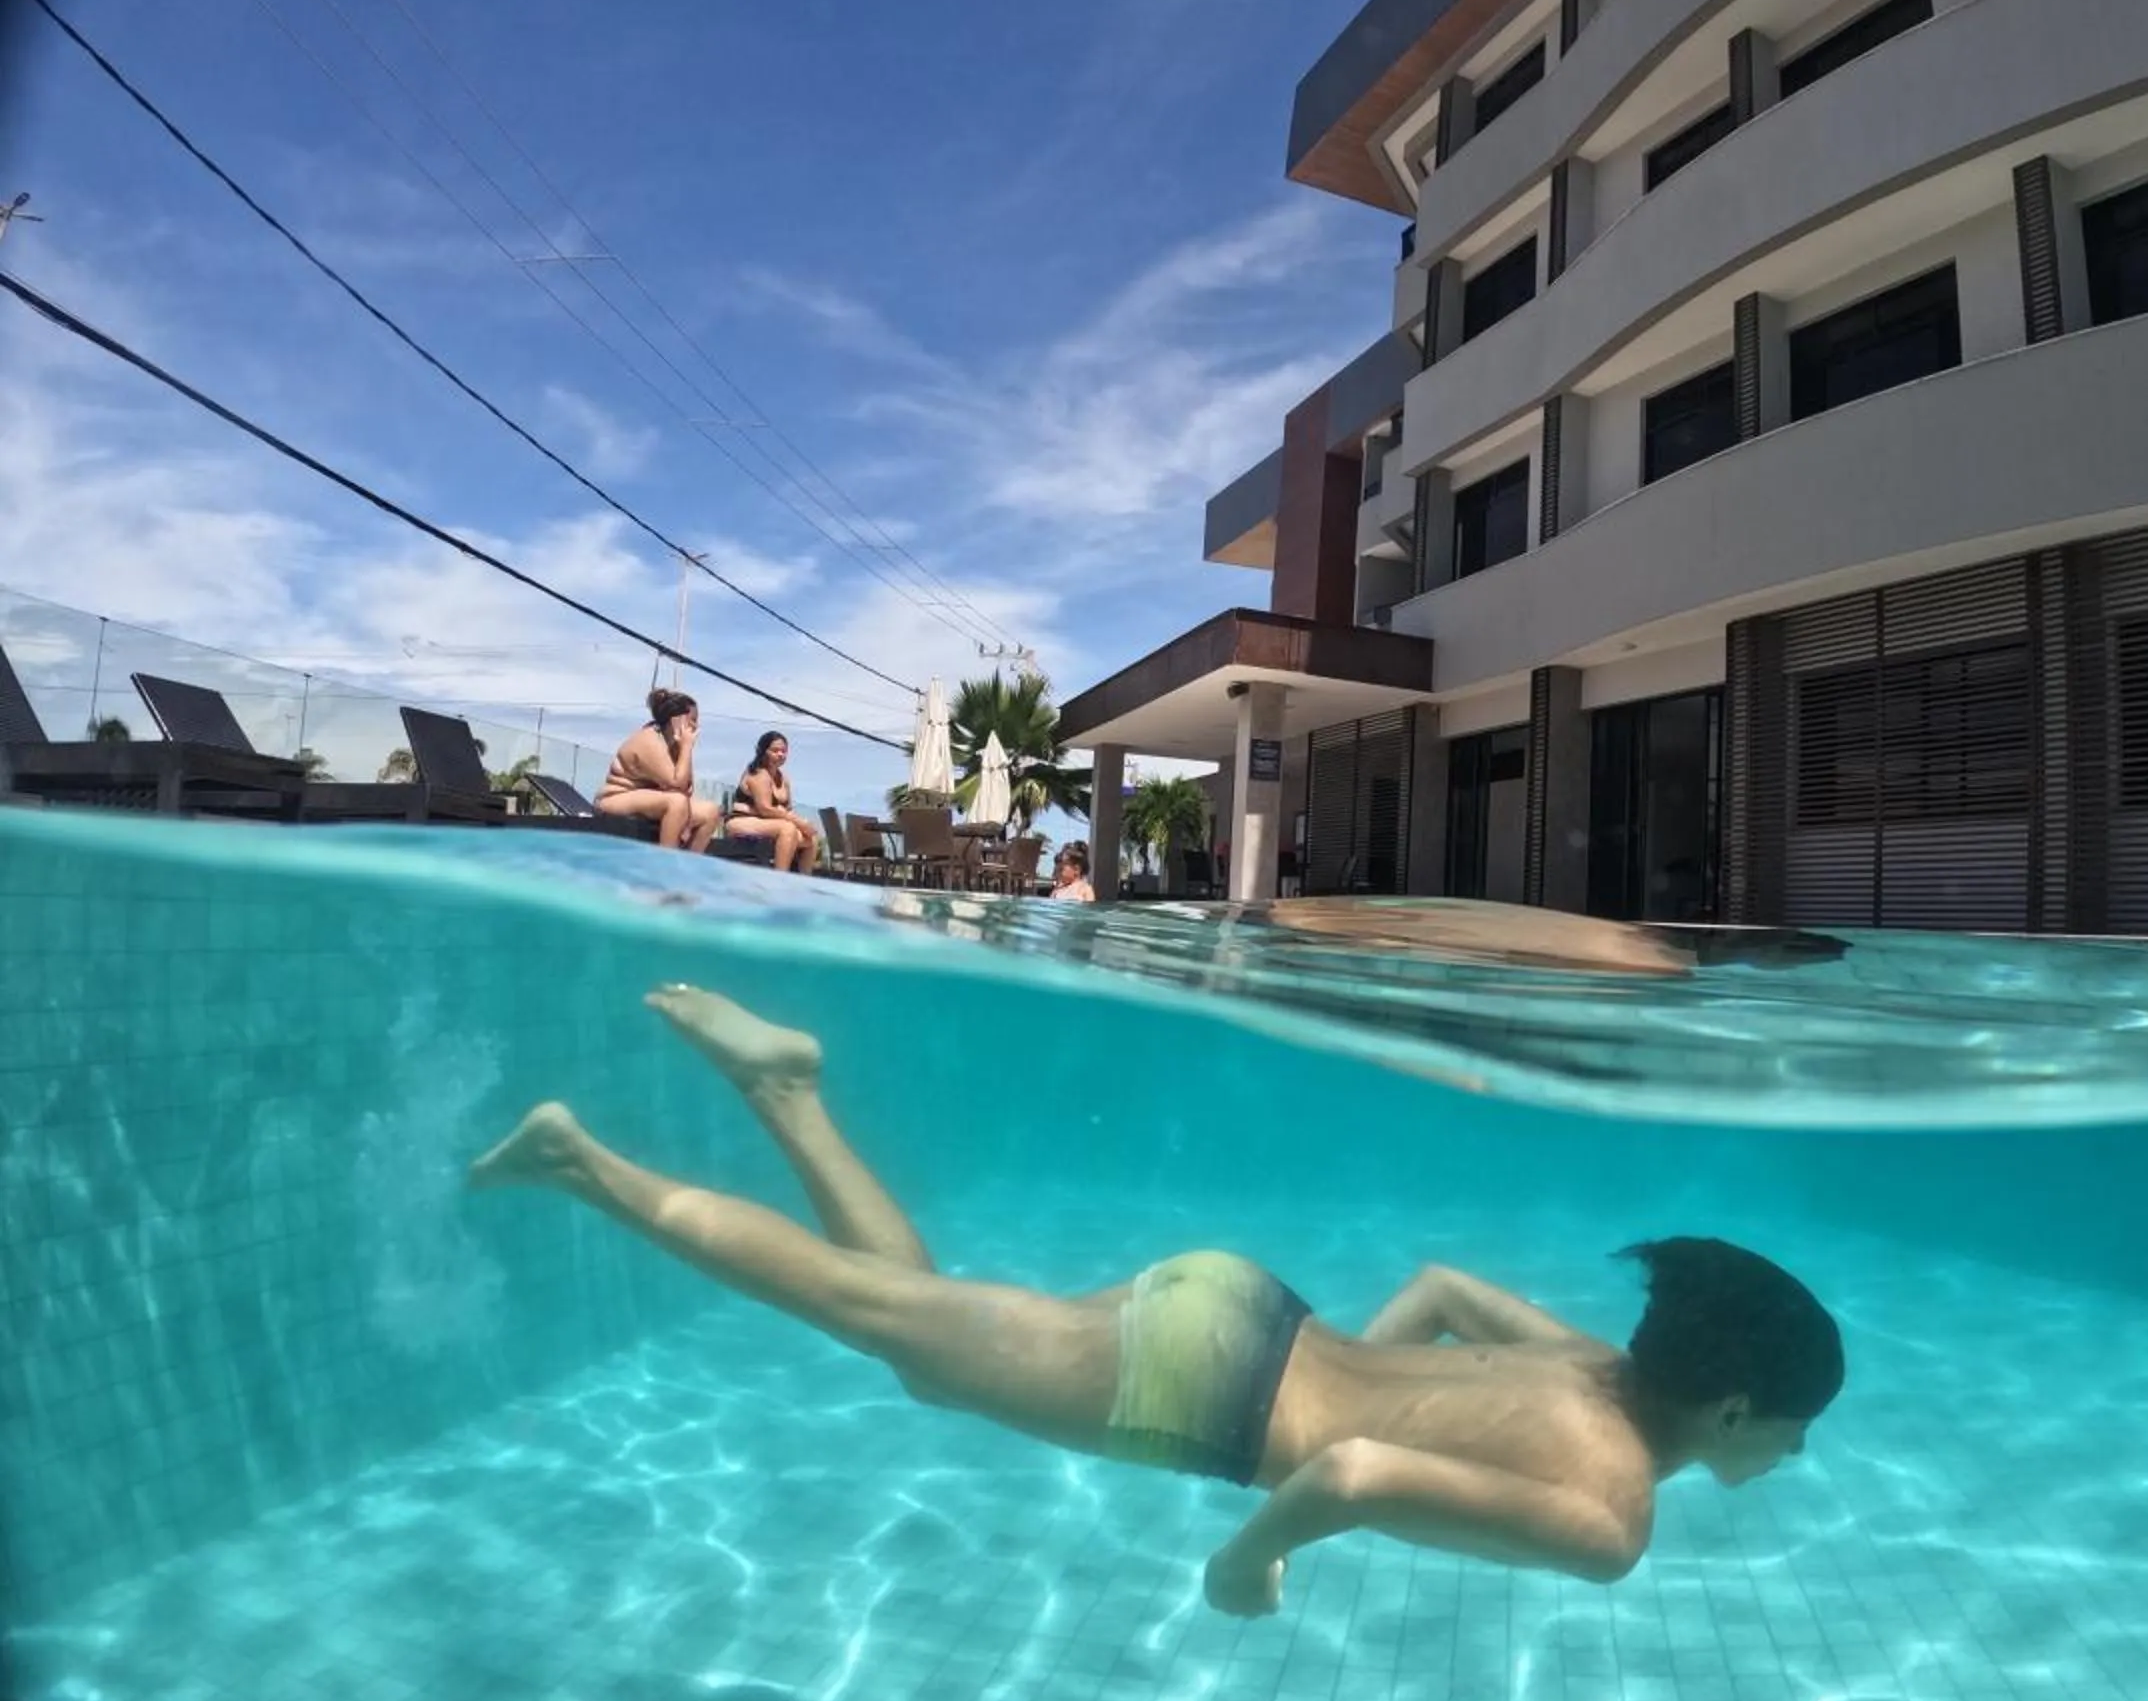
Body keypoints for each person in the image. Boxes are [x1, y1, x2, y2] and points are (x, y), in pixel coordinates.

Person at [469, 987, 1844, 1615]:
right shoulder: (1612, 1517)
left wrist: (1350, 1370)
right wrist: (1244, 1566)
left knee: (925, 1341)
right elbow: (1356, 1465)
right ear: (1733, 1402)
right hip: (1207, 1389)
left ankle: (785, 1092)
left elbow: (1436, 1291)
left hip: (1248, 1313)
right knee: (881, 1318)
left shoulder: (1595, 1365)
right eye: (1791, 1427)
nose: (1789, 1453)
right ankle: (583, 1163)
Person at [598, 688, 717, 851]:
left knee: (710, 812)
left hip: (649, 799)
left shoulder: (675, 744)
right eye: (693, 720)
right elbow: (678, 785)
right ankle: (666, 865)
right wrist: (687, 747)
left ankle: (688, 865)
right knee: (676, 802)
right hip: (617, 797)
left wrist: (684, 749)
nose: (696, 726)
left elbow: (688, 787)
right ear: (677, 720)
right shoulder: (649, 739)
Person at [724, 730, 821, 875]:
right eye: (775, 750)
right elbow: (765, 809)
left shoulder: (783, 779)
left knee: (811, 837)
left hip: (767, 823)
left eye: (784, 751)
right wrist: (798, 822)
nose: (780, 754)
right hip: (741, 820)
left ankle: (803, 880)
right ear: (763, 751)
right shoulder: (758, 774)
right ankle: (779, 878)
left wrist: (804, 825)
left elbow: (787, 809)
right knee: (787, 829)